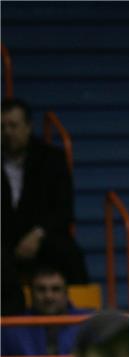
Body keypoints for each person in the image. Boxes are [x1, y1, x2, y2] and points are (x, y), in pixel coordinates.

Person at [1, 97, 88, 314]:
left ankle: (80, 318)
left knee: (69, 253)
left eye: (13, 125)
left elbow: (63, 209)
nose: (7, 132)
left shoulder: (52, 159)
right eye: (2, 127)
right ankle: (11, 325)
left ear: (28, 127)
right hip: (4, 239)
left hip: (41, 235)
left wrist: (37, 234)